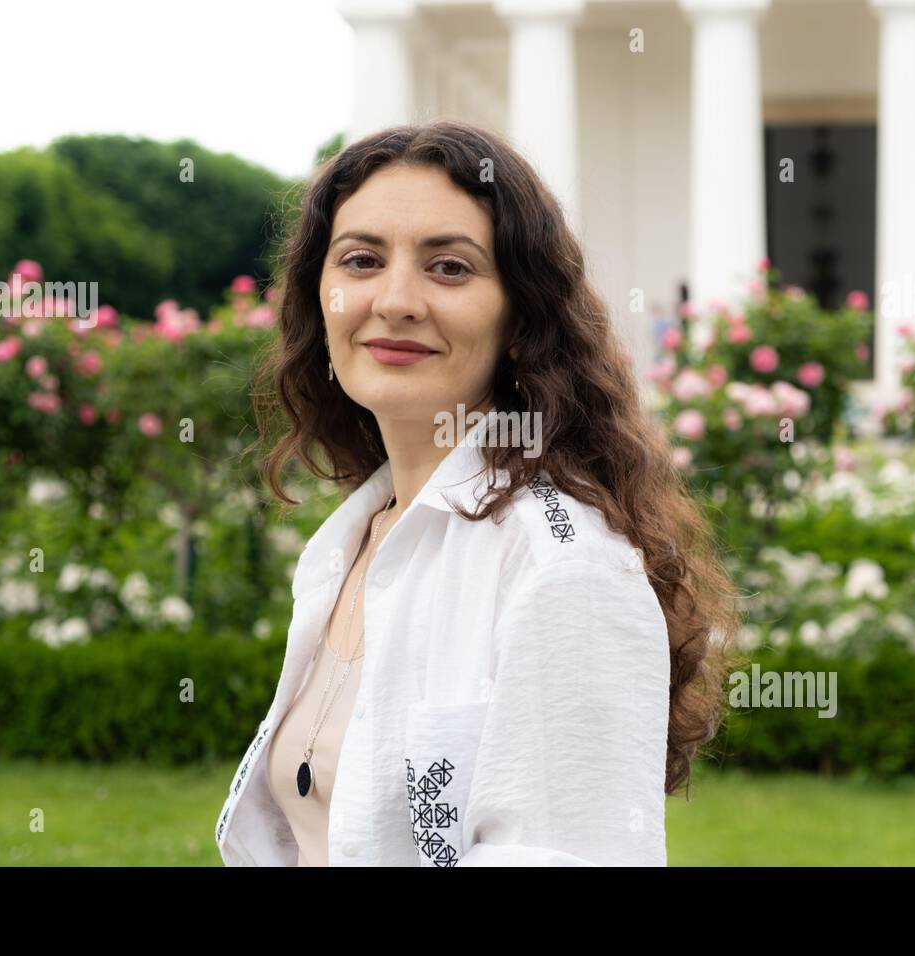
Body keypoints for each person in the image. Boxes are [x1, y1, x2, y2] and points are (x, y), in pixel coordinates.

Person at [215, 120, 742, 866]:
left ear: (522, 316)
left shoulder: (562, 566)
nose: (395, 300)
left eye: (450, 268)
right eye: (361, 260)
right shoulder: (352, 541)